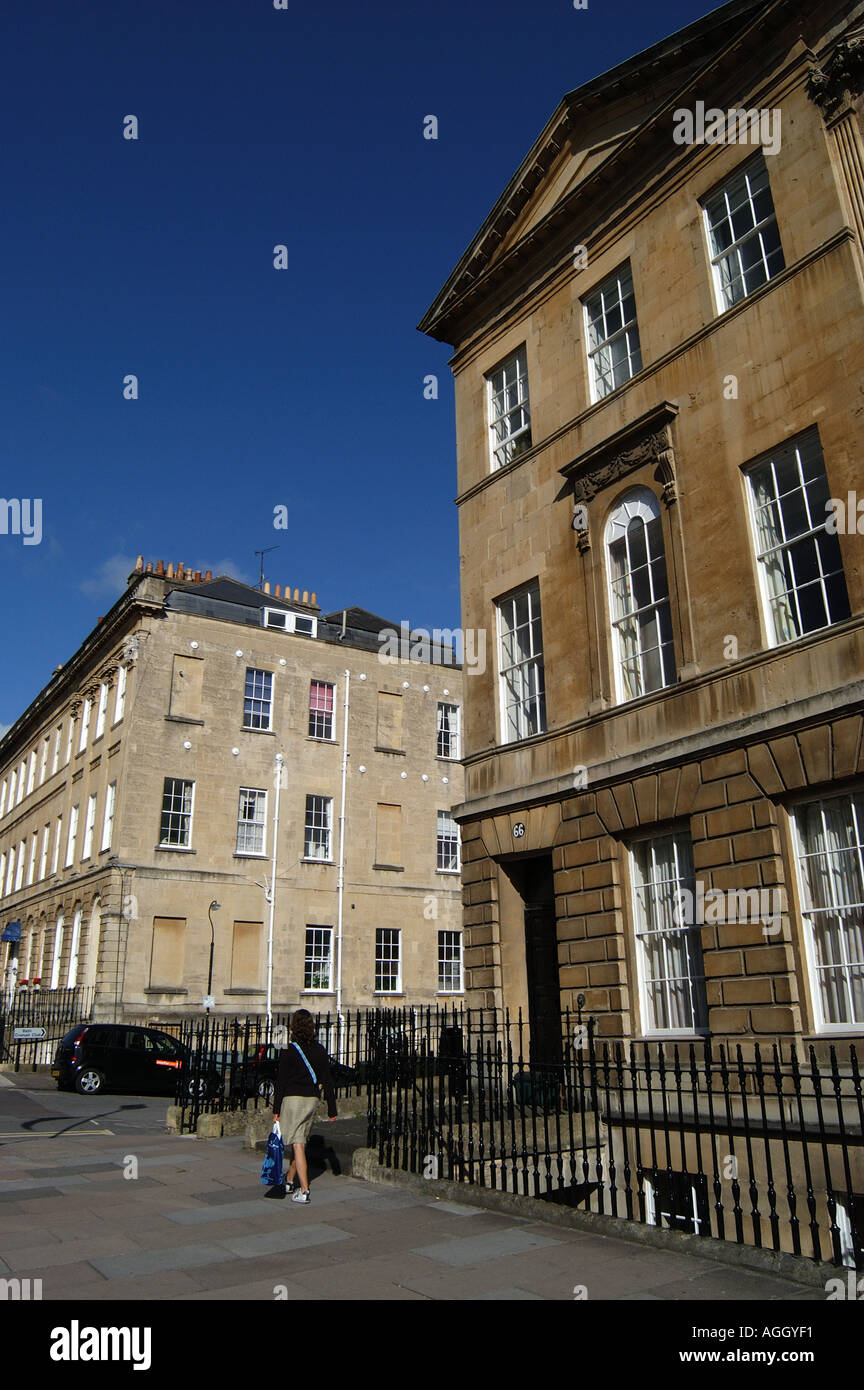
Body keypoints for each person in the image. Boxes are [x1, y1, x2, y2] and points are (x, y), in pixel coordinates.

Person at [272, 1009, 337, 1203]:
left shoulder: (289, 1049)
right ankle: (290, 1181)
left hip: (293, 1099)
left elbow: (280, 1081)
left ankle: (305, 1191)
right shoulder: (319, 1049)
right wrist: (332, 1109)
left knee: (298, 1144)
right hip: (312, 1100)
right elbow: (327, 1080)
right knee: (298, 1140)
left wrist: (276, 1110)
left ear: (293, 1026)